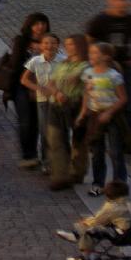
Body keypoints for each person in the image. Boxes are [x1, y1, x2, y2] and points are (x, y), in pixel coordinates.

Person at [86, 0, 131, 155]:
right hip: (104, 70)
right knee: (100, 104)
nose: (124, 3)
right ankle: (97, 140)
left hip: (125, 69)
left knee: (128, 106)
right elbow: (88, 41)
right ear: (110, 0)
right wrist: (94, 63)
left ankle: (129, 142)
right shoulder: (100, 21)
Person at [77, 41, 128, 193]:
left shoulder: (114, 75)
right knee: (97, 151)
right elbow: (86, 94)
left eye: (94, 53)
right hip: (94, 115)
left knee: (115, 151)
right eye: (90, 52)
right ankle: (98, 182)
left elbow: (123, 98)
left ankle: (119, 183)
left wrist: (109, 112)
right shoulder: (88, 74)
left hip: (112, 116)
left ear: (106, 57)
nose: (90, 56)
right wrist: (83, 112)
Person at [46, 34, 91, 189]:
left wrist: (83, 112)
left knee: (78, 142)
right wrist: (56, 92)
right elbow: (51, 83)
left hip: (75, 105)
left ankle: (78, 172)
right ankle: (60, 175)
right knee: (56, 140)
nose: (68, 47)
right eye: (66, 44)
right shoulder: (62, 64)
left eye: (71, 44)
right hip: (56, 105)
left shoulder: (85, 66)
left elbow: (86, 88)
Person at [60, 181, 131, 260]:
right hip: (128, 231)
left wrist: (85, 222)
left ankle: (85, 259)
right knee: (95, 227)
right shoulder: (128, 201)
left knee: (89, 233)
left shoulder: (112, 206)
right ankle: (77, 237)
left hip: (119, 234)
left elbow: (98, 220)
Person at [5, 13, 51, 168]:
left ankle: (37, 154)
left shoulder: (49, 42)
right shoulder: (21, 42)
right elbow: (16, 65)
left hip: (42, 87)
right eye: (36, 23)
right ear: (29, 26)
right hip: (22, 86)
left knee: (38, 121)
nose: (40, 27)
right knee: (26, 120)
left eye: (43, 23)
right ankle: (28, 155)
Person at [20, 30, 62, 172]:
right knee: (44, 131)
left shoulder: (63, 60)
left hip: (59, 101)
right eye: (46, 43)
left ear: (58, 45)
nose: (49, 46)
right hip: (43, 101)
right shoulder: (35, 61)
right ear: (41, 45)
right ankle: (46, 162)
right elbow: (24, 80)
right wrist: (38, 88)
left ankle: (60, 160)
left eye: (53, 43)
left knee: (59, 132)